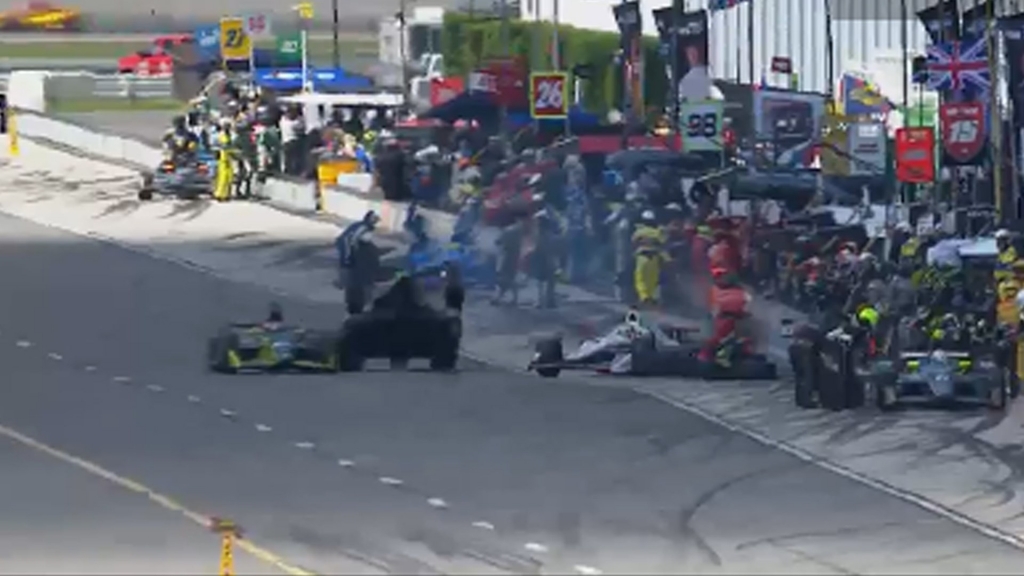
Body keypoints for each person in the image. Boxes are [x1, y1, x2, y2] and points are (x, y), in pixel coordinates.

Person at [699, 269, 751, 365]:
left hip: (736, 320)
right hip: (721, 320)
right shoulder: (714, 290)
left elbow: (747, 306)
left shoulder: (742, 292)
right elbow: (712, 307)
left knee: (743, 338)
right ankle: (712, 355)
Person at [631, 210, 669, 305]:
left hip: (642, 257)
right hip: (654, 257)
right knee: (653, 279)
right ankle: (652, 297)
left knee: (640, 278)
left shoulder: (639, 231)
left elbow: (633, 242)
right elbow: (663, 243)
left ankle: (644, 297)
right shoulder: (657, 232)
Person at [492, 218, 524, 306]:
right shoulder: (518, 230)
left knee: (505, 278)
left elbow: (498, 242)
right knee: (511, 277)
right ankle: (510, 298)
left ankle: (499, 297)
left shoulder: (508, 231)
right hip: (515, 256)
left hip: (506, 256)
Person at [213, 119, 235, 202]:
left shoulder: (227, 135)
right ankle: (220, 194)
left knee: (228, 177)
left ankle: (225, 194)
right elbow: (225, 147)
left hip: (227, 158)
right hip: (224, 158)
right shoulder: (223, 135)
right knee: (223, 177)